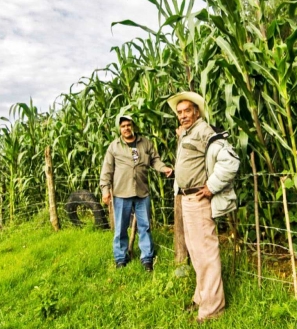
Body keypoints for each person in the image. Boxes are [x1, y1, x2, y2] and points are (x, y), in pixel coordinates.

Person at [167, 91, 239, 323]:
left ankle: (213, 310)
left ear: (196, 112)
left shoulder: (204, 131)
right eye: (179, 112)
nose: (183, 115)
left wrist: (210, 187)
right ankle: (202, 298)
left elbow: (230, 161)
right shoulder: (189, 133)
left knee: (206, 254)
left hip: (199, 200)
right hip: (187, 199)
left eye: (187, 110)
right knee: (197, 253)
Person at [100, 115, 173, 272]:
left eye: (128, 125)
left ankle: (147, 258)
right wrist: (105, 190)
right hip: (121, 192)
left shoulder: (145, 143)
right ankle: (121, 258)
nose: (126, 128)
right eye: (123, 126)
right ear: (119, 129)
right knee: (120, 228)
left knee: (145, 226)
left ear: (133, 126)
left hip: (142, 192)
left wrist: (164, 168)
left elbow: (155, 160)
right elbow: (107, 170)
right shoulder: (114, 147)